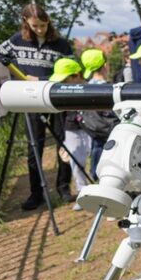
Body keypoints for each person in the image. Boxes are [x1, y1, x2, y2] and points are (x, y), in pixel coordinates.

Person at [0, 2, 75, 210]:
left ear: (48, 22)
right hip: (29, 98)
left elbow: (71, 71)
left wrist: (42, 79)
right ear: (26, 22)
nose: (39, 30)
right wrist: (17, 71)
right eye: (35, 26)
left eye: (43, 26)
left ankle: (63, 187)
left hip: (55, 97)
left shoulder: (61, 45)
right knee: (34, 146)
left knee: (63, 142)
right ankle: (36, 192)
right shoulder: (17, 40)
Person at [48, 57, 91, 206]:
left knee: (97, 162)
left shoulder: (91, 88)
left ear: (76, 75)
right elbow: (59, 117)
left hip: (91, 129)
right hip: (71, 130)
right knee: (76, 163)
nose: (62, 84)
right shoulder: (61, 91)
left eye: (65, 80)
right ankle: (82, 194)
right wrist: (61, 140)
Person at [79, 48, 117, 180]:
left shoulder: (85, 87)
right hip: (111, 131)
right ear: (105, 65)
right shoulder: (110, 88)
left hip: (94, 131)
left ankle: (96, 174)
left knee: (97, 149)